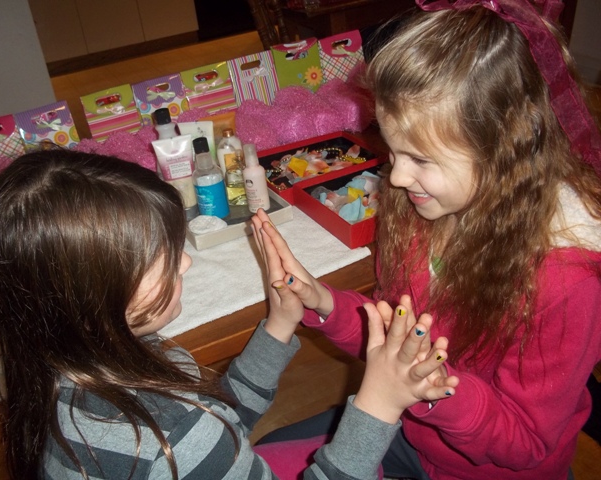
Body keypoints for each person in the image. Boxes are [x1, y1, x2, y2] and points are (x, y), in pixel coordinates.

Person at [251, 1, 601, 479]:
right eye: (393, 151)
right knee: (266, 456)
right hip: (410, 436)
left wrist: (435, 389)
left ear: (504, 148)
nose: (395, 178)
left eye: (420, 159)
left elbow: (525, 442)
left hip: (487, 468)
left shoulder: (565, 280)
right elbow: (394, 335)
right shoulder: (423, 212)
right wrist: (324, 302)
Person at [0, 148, 457, 479]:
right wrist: (378, 402)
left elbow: (216, 413)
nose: (186, 261)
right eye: (164, 256)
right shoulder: (167, 436)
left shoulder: (70, 361)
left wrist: (279, 325)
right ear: (92, 298)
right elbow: (196, 428)